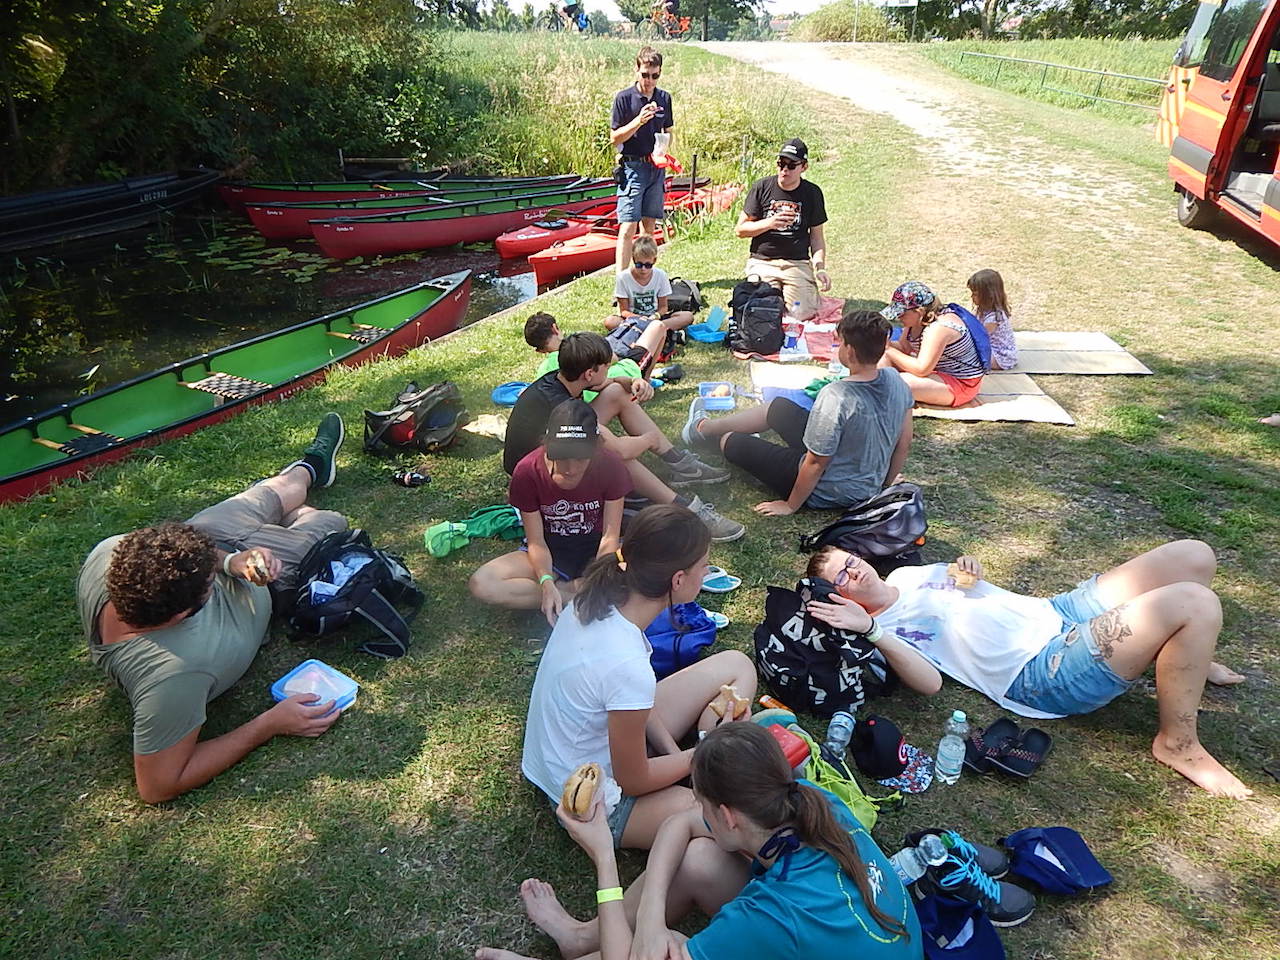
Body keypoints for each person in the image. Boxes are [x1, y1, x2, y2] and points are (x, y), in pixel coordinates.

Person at [804, 540, 1253, 799]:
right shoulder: (883, 630)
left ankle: (1182, 653)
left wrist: (969, 569)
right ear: (839, 597)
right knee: (1193, 602)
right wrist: (870, 629)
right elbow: (930, 684)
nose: (853, 571)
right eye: (841, 577)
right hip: (1043, 668)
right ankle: (1177, 743)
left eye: (850, 561)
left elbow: (967, 589)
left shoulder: (905, 575)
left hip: (1057, 612)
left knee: (1194, 556)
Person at [78, 414, 350, 803]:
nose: (212, 579)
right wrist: (269, 724)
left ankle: (310, 468)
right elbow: (157, 786)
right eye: (209, 586)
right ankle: (297, 514)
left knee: (282, 487)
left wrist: (229, 563)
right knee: (330, 521)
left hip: (204, 536)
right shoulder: (173, 676)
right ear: (179, 617)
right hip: (272, 584)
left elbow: (187, 554)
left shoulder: (109, 553)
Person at [477, 723, 921, 960]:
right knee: (699, 861)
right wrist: (649, 919)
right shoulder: (805, 799)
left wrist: (604, 858)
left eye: (701, 802)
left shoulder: (765, 919)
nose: (697, 809)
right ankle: (579, 939)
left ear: (727, 815)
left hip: (795, 931)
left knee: (667, 945)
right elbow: (680, 825)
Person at [520, 505, 759, 850]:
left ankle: (707, 749)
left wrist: (679, 754)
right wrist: (702, 754)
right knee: (727, 823)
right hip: (585, 795)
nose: (707, 572)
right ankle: (711, 753)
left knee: (737, 664)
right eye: (704, 566)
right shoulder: (626, 664)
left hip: (570, 753)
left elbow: (632, 703)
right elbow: (633, 780)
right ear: (678, 580)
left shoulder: (597, 598)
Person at [503, 329, 744, 542]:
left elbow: (608, 383)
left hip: (557, 449)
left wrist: (633, 381)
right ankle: (687, 509)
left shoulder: (565, 376)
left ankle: (681, 464)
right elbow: (620, 450)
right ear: (589, 373)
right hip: (540, 474)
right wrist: (649, 439)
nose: (609, 370)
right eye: (606, 366)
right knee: (616, 457)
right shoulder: (565, 408)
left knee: (617, 393)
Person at [682, 309, 913, 517]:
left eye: (840, 342)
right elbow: (904, 442)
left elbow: (815, 463)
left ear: (850, 351)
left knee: (732, 442)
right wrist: (883, 484)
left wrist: (791, 505)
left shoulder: (836, 395)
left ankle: (708, 435)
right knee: (778, 407)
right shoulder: (896, 380)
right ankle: (703, 427)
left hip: (827, 490)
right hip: (863, 479)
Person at [470, 400, 631, 627]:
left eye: (580, 458)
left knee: (650, 573)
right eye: (561, 457)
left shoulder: (610, 466)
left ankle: (576, 592)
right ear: (547, 445)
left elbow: (609, 536)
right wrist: (545, 581)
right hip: (551, 549)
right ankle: (569, 595)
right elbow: (536, 542)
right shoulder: (528, 471)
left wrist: (597, 577)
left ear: (596, 448)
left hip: (596, 549)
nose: (571, 468)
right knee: (483, 583)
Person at [735, 138, 830, 322]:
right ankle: (775, 297)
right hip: (763, 261)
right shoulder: (762, 187)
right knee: (762, 310)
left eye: (791, 165)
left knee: (801, 314)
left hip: (797, 263)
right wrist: (769, 223)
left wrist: (820, 268)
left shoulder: (812, 193)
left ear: (804, 167)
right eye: (781, 163)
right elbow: (740, 230)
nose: (784, 170)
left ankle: (788, 295)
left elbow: (817, 238)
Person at [610, 46, 674, 274]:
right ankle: (621, 280)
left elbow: (669, 130)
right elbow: (615, 138)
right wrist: (638, 121)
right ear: (636, 70)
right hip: (632, 167)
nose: (649, 81)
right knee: (628, 226)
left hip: (656, 167)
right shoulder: (624, 98)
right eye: (645, 75)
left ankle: (645, 274)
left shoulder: (664, 98)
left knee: (649, 226)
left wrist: (665, 149)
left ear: (660, 73)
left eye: (655, 76)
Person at [879, 281, 986, 407]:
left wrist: (889, 350)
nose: (898, 318)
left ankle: (881, 393)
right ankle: (879, 391)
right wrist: (883, 345)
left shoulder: (938, 328)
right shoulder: (916, 321)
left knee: (899, 383)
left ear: (919, 312)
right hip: (938, 372)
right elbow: (904, 348)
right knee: (881, 359)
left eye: (901, 314)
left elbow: (922, 369)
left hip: (961, 383)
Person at [606, 234, 694, 374]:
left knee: (687, 316)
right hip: (632, 320)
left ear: (654, 260)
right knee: (610, 321)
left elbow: (663, 307)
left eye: (648, 265)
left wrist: (655, 317)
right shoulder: (623, 277)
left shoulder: (660, 275)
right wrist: (639, 319)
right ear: (633, 259)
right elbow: (623, 311)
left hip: (655, 318)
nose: (643, 269)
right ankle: (663, 334)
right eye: (639, 265)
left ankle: (654, 333)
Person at [525, 312, 651, 404]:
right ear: (555, 328)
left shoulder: (545, 373)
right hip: (589, 405)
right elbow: (611, 370)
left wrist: (634, 381)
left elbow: (611, 381)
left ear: (539, 351)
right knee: (656, 326)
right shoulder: (581, 356)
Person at [967, 268, 1017, 370]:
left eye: (975, 294)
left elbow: (979, 337)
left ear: (988, 296)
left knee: (967, 357)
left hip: (1001, 356)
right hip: (989, 348)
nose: (972, 296)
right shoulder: (981, 310)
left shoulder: (994, 318)